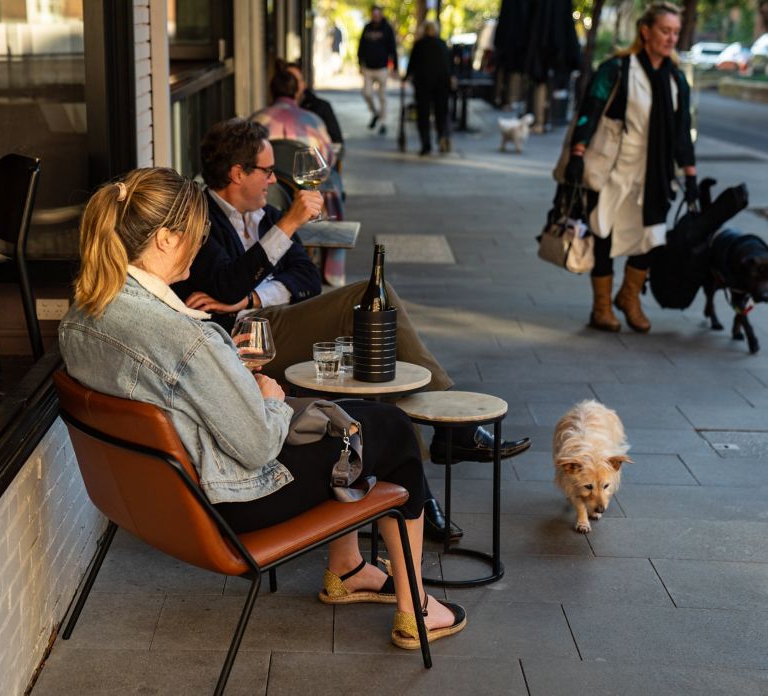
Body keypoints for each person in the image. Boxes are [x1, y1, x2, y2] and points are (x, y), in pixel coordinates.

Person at [59, 167, 466, 650]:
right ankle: (416, 607)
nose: (200, 242)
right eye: (196, 232)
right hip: (233, 504)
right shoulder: (185, 337)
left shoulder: (81, 316)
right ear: (166, 240)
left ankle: (349, 568)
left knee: (339, 415)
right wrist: (269, 402)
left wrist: (233, 379)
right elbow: (256, 446)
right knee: (392, 429)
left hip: (158, 504)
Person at [172, 118, 532, 540]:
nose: (275, 179)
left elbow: (306, 276)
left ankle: (417, 492)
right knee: (364, 296)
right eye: (268, 170)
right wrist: (286, 228)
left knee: (377, 349)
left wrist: (253, 296)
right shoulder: (205, 218)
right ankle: (450, 437)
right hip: (242, 342)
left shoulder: (262, 214)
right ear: (237, 173)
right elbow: (226, 283)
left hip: (263, 320)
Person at [564, 1, 696, 333]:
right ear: (646, 31)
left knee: (650, 238)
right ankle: (601, 307)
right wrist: (577, 154)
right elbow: (590, 109)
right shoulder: (618, 69)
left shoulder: (676, 79)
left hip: (654, 173)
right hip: (613, 167)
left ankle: (629, 297)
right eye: (665, 31)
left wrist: (690, 175)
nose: (671, 38)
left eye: (676, 32)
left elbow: (681, 133)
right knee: (604, 235)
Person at [252, 60, 346, 285]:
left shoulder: (257, 120)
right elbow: (328, 160)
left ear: (270, 91)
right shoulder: (313, 120)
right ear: (298, 91)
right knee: (334, 185)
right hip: (310, 198)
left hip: (267, 196)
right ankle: (331, 273)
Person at [406, 20, 453, 155]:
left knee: (423, 114)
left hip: (423, 84)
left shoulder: (419, 45)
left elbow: (412, 65)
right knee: (441, 113)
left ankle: (426, 143)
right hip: (441, 84)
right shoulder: (442, 44)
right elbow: (449, 66)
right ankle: (440, 138)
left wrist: (406, 77)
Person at [358, 5, 398, 135]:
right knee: (367, 93)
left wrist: (395, 67)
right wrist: (360, 63)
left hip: (382, 68)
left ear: (380, 15)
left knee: (382, 97)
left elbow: (393, 48)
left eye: (377, 15)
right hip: (368, 68)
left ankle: (383, 123)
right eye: (373, 15)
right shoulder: (367, 27)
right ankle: (375, 113)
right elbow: (361, 46)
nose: (375, 17)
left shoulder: (387, 28)